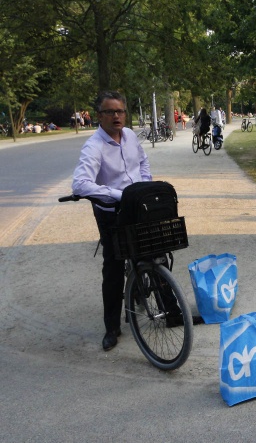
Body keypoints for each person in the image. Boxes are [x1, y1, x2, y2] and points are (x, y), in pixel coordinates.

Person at [72, 91, 152, 351]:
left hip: (137, 203)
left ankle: (174, 313)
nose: (116, 116)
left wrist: (145, 187)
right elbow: (81, 184)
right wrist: (119, 195)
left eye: (120, 111)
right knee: (114, 267)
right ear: (100, 116)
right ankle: (112, 327)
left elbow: (142, 161)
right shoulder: (93, 146)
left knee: (154, 251)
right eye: (110, 112)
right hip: (110, 211)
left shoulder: (129, 135)